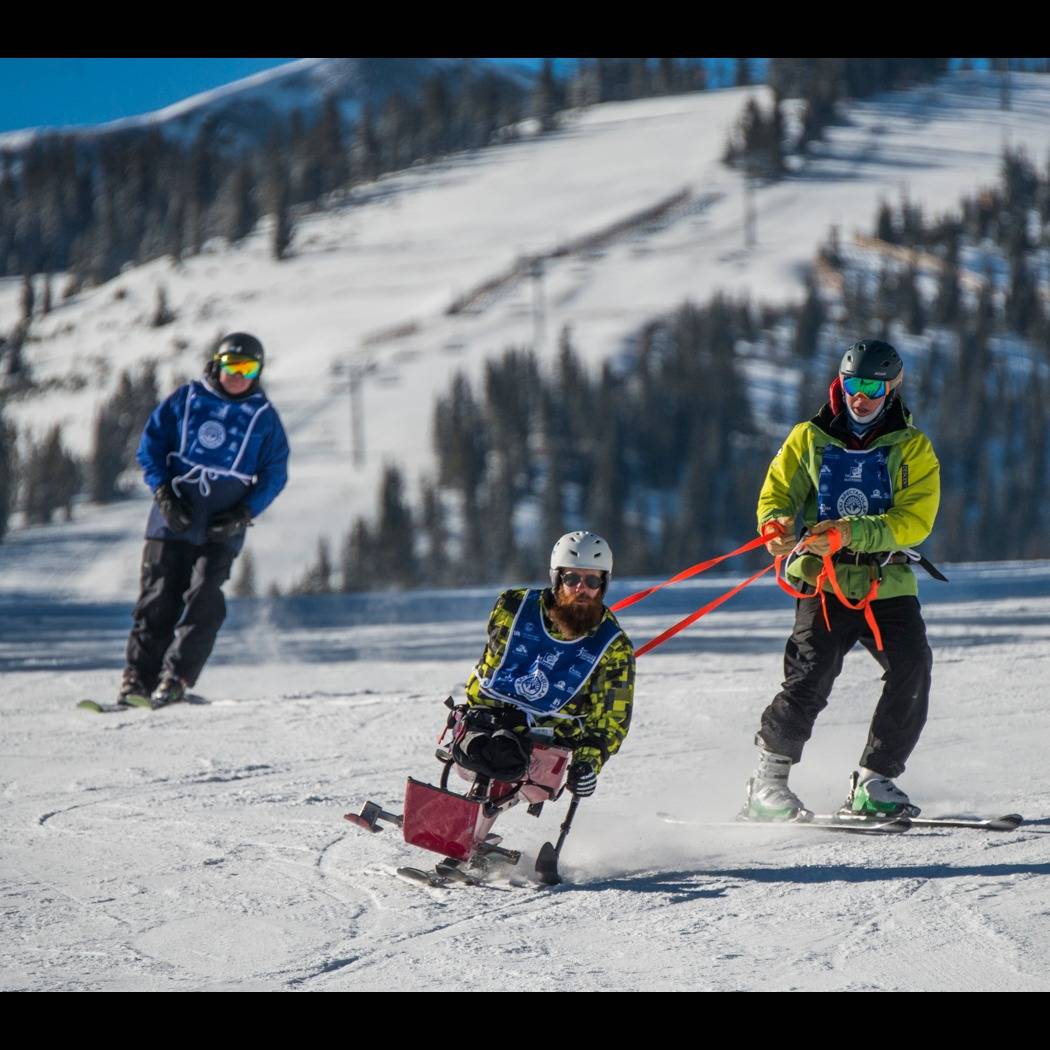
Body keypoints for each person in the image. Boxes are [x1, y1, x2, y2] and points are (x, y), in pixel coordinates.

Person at [744, 339, 941, 820]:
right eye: (853, 384)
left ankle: (874, 780)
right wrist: (775, 527)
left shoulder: (912, 447)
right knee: (810, 675)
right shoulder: (808, 438)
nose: (861, 397)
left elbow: (914, 520)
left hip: (886, 581)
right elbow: (777, 493)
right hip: (824, 581)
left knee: (912, 667)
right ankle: (767, 784)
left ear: (891, 388)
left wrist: (851, 533)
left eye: (873, 387)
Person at [118, 333, 290, 707]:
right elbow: (151, 447)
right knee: (159, 595)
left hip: (221, 528)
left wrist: (244, 512)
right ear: (217, 364)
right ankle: (137, 679)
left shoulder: (264, 417)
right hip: (172, 521)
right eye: (232, 366)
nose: (238, 375)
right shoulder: (187, 399)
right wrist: (163, 492)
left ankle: (176, 677)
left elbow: (275, 473)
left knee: (205, 596)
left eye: (248, 368)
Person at [456, 530, 635, 799]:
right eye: (572, 578)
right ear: (556, 578)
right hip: (486, 721)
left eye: (591, 580)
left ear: (603, 584)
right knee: (483, 749)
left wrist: (588, 762)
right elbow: (491, 663)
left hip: (545, 742)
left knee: (510, 758)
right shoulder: (512, 608)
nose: (580, 588)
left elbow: (611, 719)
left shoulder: (613, 647)